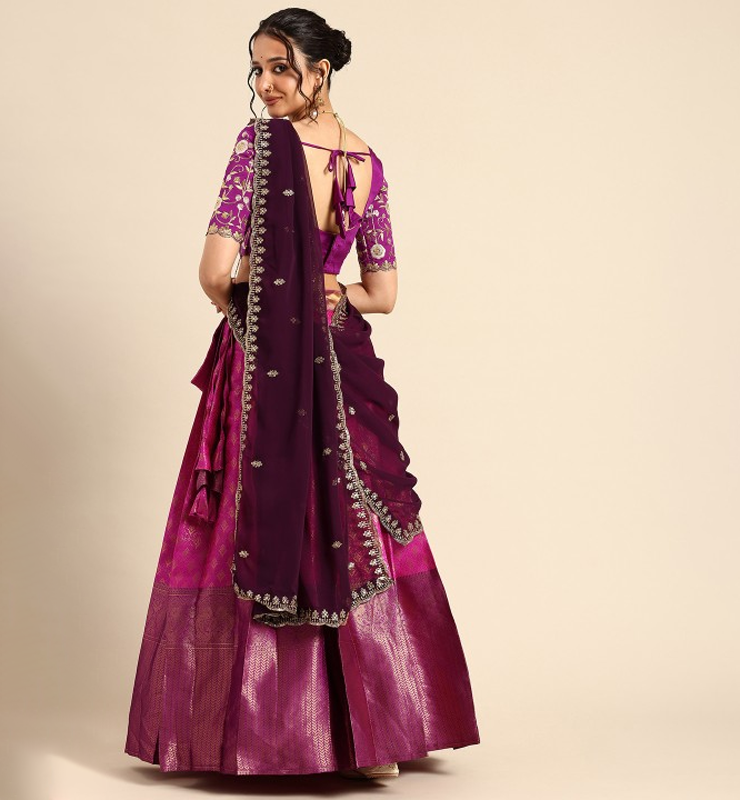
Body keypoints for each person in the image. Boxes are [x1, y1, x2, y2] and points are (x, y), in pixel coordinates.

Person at [124, 8, 480, 780]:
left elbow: (214, 273)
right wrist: (325, 287)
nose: (265, 84)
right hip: (338, 356)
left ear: (320, 71)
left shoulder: (259, 148)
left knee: (253, 510)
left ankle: (260, 737)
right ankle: (377, 739)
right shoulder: (366, 162)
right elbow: (382, 293)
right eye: (257, 68)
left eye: (281, 67)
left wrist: (255, 292)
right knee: (352, 508)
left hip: (265, 357)